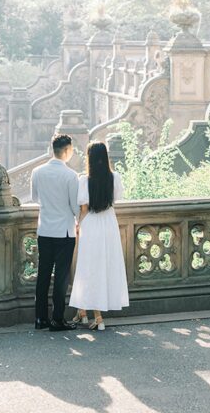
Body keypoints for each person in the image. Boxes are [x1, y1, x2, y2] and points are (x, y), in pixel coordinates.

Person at [70, 140, 129, 331]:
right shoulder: (115, 178)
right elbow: (115, 200)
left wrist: (79, 225)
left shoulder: (84, 180)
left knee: (89, 268)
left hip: (92, 224)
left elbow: (84, 208)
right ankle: (83, 312)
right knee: (104, 267)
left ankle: (98, 317)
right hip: (109, 224)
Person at [30, 132, 79, 332]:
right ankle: (58, 318)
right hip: (65, 232)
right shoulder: (70, 175)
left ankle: (41, 318)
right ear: (67, 151)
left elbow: (35, 199)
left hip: (45, 229)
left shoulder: (37, 172)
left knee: (42, 274)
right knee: (61, 277)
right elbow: (75, 207)